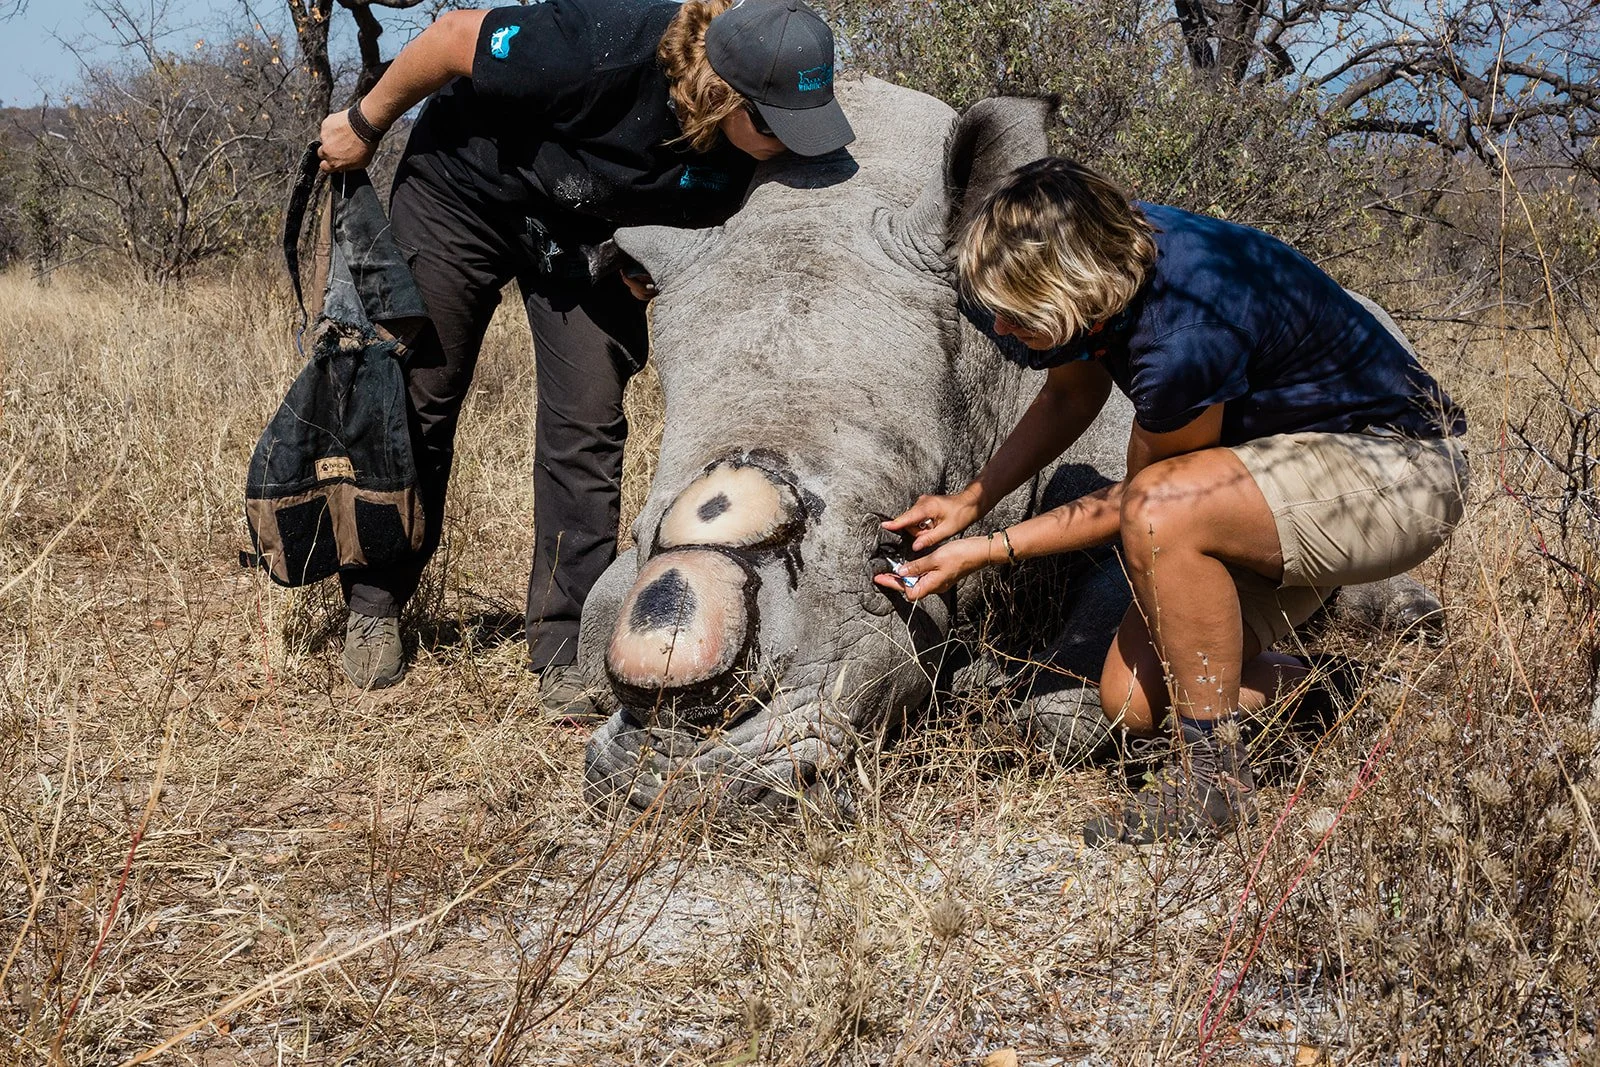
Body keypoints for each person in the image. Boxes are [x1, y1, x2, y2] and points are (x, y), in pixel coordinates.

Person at [878, 158, 1467, 845]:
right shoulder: (1110, 257)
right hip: (1272, 475)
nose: (1004, 332)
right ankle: (1328, 690)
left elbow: (1142, 505)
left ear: (1073, 288)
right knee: (1129, 701)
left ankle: (1213, 785)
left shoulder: (1179, 335)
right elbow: (1072, 393)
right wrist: (968, 503)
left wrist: (987, 550)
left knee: (1161, 508)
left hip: (1400, 472)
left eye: (1018, 317)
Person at [314, 0, 854, 701]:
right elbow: (451, 37)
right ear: (724, 100)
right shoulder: (598, 46)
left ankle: (564, 642)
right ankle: (374, 602)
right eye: (781, 126)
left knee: (587, 423)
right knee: (420, 393)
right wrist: (362, 126)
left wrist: (656, 258)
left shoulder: (758, 149)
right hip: (468, 188)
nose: (797, 144)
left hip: (589, 236)